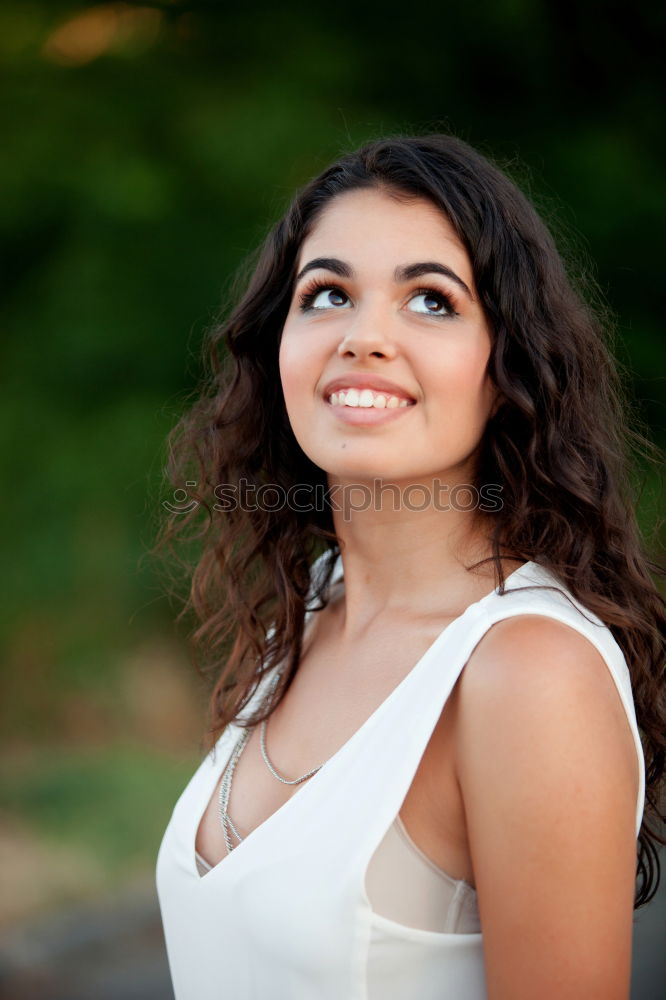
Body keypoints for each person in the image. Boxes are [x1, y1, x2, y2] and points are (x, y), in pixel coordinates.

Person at [154, 134, 665, 999]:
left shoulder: (527, 673)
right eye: (327, 295)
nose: (364, 338)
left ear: (507, 367)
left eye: (430, 301)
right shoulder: (307, 614)